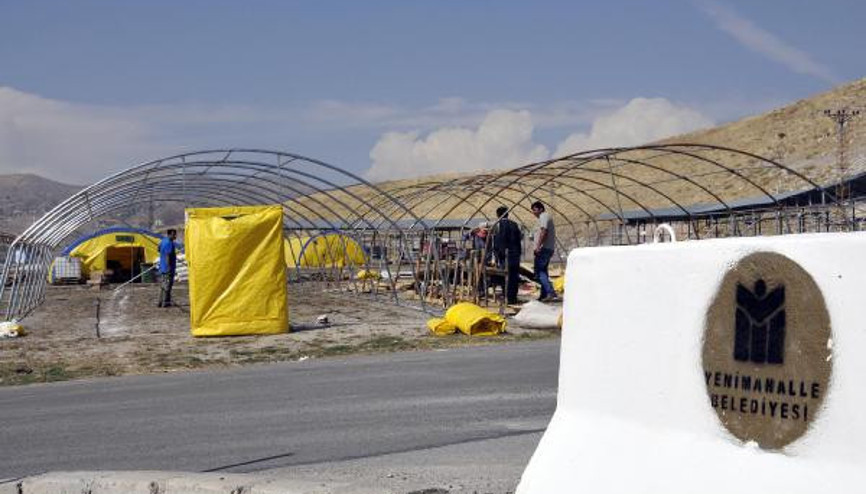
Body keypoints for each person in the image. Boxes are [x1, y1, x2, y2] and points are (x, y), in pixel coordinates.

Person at [492, 205, 523, 305]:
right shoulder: (514, 224)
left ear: (498, 215)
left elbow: (499, 241)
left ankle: (507, 297)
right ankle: (513, 297)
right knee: (514, 276)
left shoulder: (499, 225)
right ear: (508, 214)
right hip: (515, 254)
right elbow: (519, 238)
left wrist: (497, 255)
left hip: (505, 255)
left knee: (505, 276)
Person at [531, 200, 557, 301]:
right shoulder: (543, 218)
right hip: (546, 249)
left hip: (543, 249)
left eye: (535, 210)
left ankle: (551, 292)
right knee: (543, 272)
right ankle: (544, 294)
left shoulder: (544, 216)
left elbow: (544, 231)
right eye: (532, 210)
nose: (534, 212)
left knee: (539, 272)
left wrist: (538, 246)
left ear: (541, 209)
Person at [157, 228, 177, 307]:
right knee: (167, 285)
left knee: (162, 285)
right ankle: (166, 302)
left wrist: (163, 254)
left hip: (162, 267)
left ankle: (160, 302)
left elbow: (158, 249)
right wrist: (169, 267)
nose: (175, 236)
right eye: (174, 234)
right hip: (168, 268)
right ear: (170, 234)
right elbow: (168, 255)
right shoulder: (169, 243)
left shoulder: (163, 241)